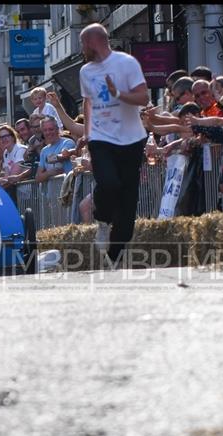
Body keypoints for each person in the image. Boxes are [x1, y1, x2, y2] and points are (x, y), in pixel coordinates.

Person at [79, 23, 150, 264]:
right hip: (101, 138)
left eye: (82, 44)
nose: (82, 49)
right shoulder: (85, 71)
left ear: (92, 42)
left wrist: (118, 93)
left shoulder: (126, 63)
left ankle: (114, 256)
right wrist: (88, 134)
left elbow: (143, 97)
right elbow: (88, 103)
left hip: (131, 139)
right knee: (108, 182)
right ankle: (102, 219)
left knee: (128, 204)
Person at [35, 117, 76, 183]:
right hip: (52, 191)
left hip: (68, 189)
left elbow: (64, 155)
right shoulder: (44, 151)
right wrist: (49, 173)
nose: (48, 132)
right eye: (45, 130)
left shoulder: (68, 142)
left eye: (51, 129)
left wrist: (50, 159)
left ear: (57, 129)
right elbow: (38, 178)